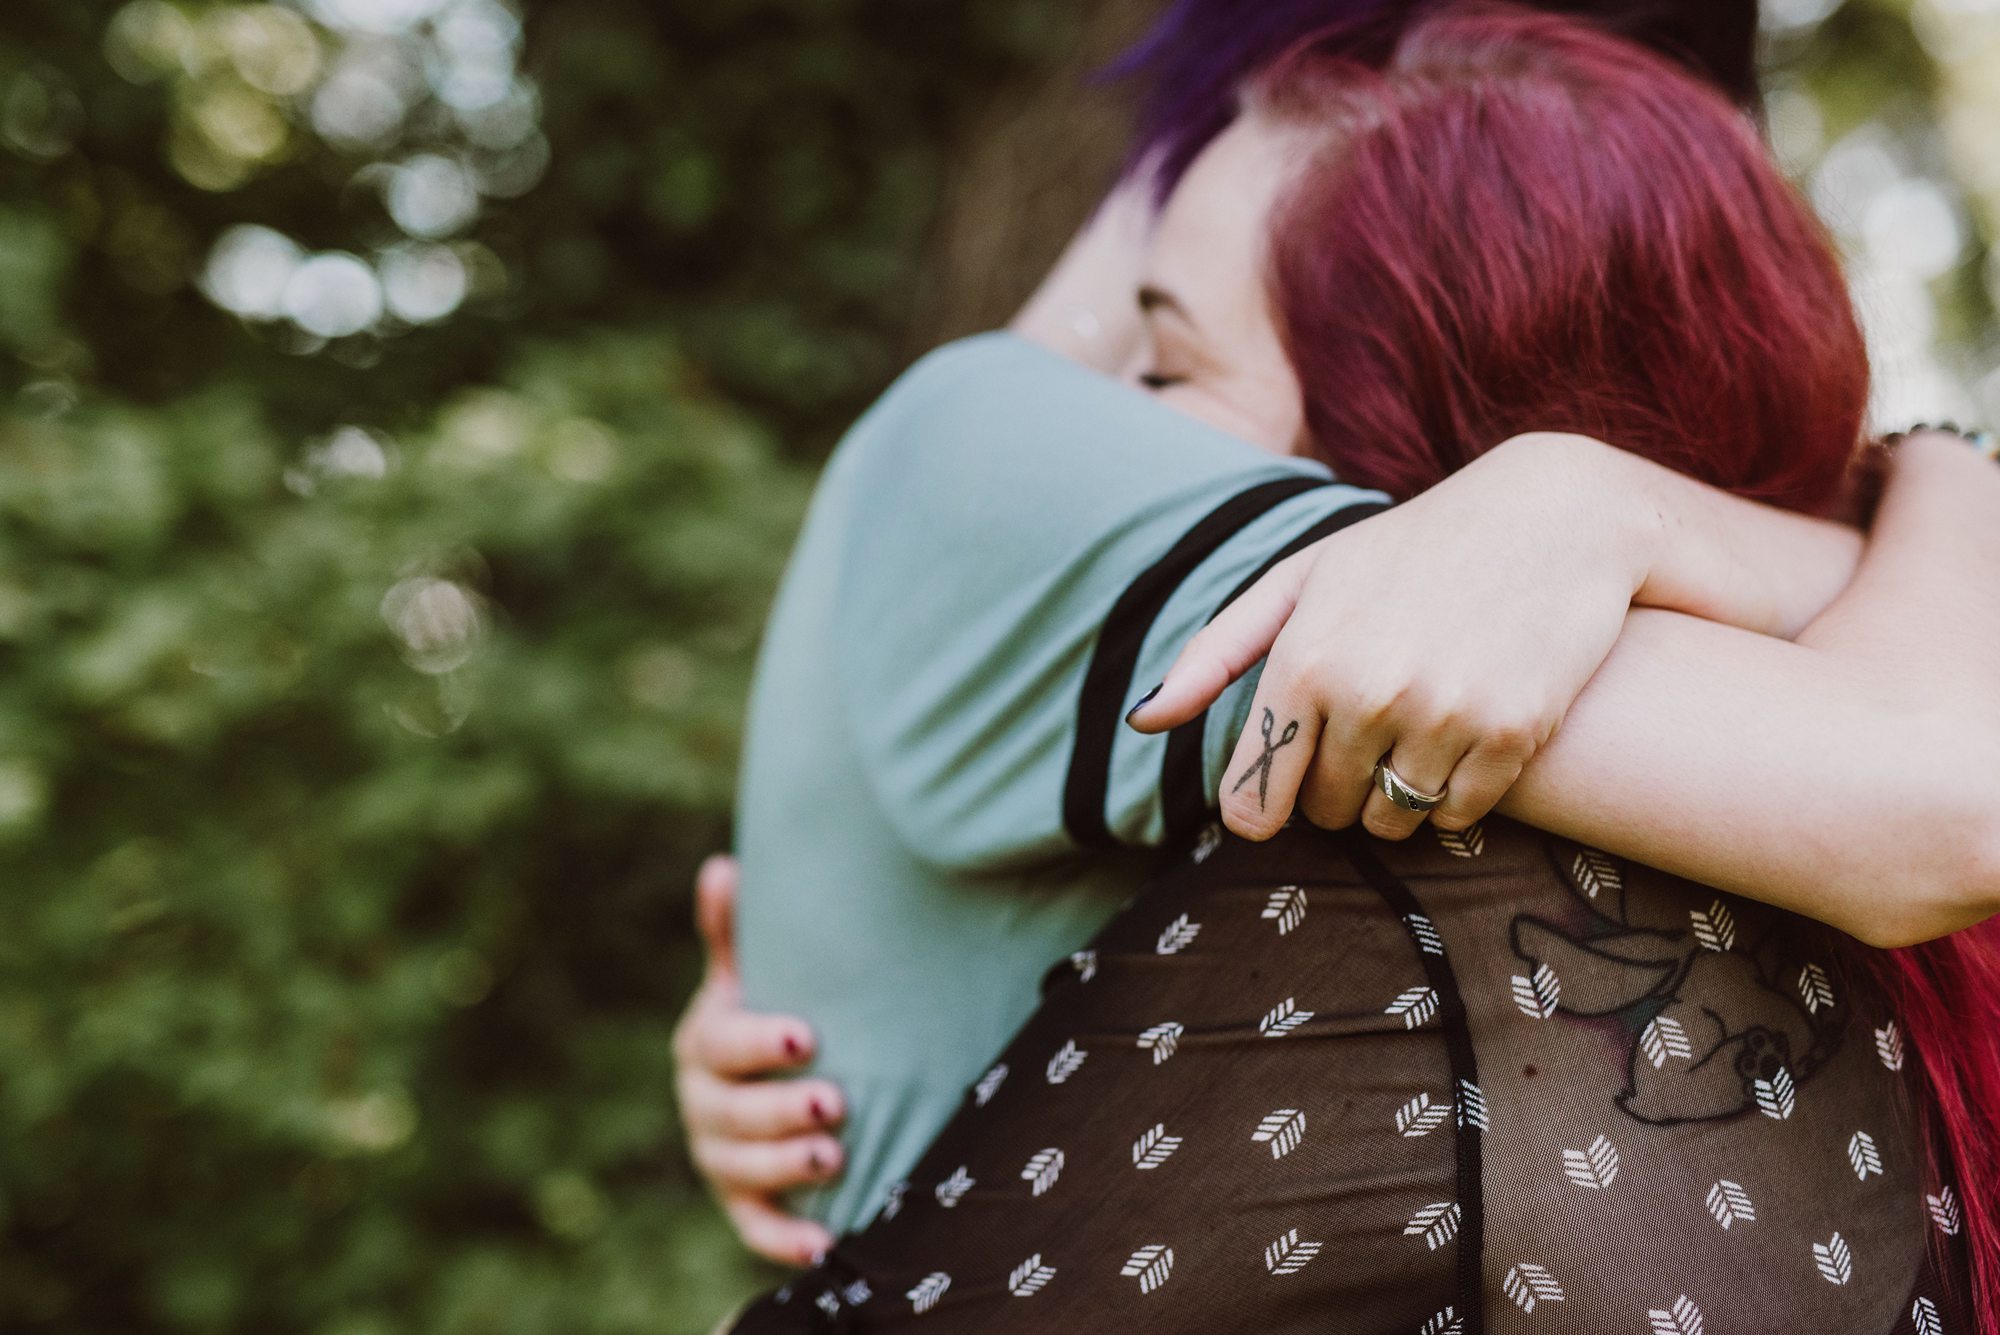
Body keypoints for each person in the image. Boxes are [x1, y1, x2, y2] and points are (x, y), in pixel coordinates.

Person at [671, 0, 2000, 1288]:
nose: (1104, 440)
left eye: (1168, 371)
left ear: (1416, 460)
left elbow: (1940, 791)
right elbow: (1941, 785)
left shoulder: (1425, 616)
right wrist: (1909, 492)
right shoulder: (1004, 463)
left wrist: (1620, 510)